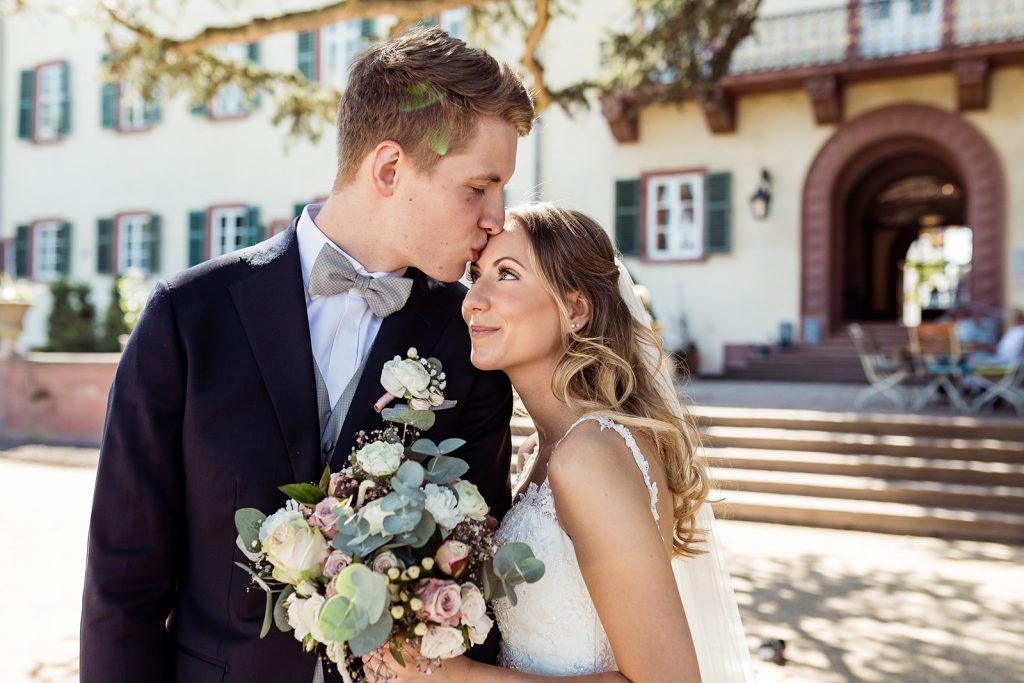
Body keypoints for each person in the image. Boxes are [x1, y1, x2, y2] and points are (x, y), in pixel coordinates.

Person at [80, 28, 534, 683]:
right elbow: (122, 586)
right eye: (479, 187)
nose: (496, 217)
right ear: (388, 169)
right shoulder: (187, 318)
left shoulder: (466, 341)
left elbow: (479, 575)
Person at [370, 205, 754, 682]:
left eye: (506, 274)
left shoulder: (589, 456)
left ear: (575, 308)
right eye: (476, 275)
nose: (472, 300)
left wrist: (455, 677)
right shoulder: (544, 449)